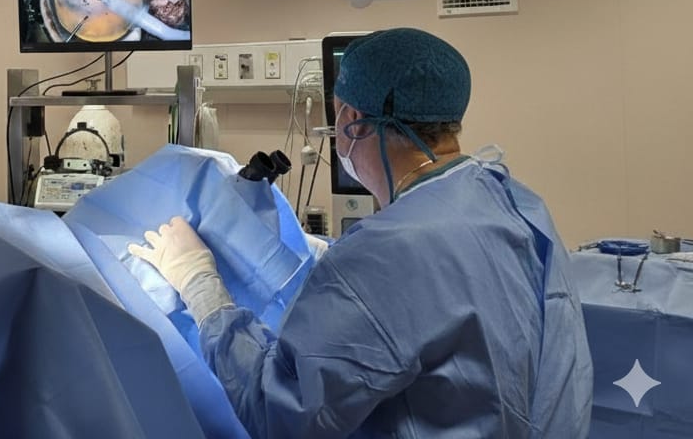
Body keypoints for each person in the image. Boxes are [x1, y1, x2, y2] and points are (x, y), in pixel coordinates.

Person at [130, 27, 592, 438]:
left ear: (352, 121)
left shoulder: (388, 252)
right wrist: (327, 252)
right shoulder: (513, 199)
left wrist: (200, 285)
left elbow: (278, 411)